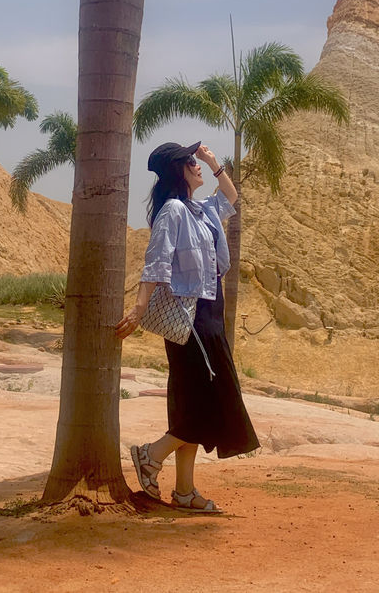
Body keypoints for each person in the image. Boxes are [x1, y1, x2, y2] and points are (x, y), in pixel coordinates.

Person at [115, 141, 260, 513]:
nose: (197, 165)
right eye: (191, 161)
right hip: (189, 317)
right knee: (204, 400)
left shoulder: (202, 209)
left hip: (211, 312)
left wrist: (215, 163)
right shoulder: (174, 211)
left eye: (197, 160)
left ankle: (184, 491)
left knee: (195, 399)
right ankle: (150, 455)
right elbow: (157, 261)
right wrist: (139, 306)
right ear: (177, 170)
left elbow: (230, 194)